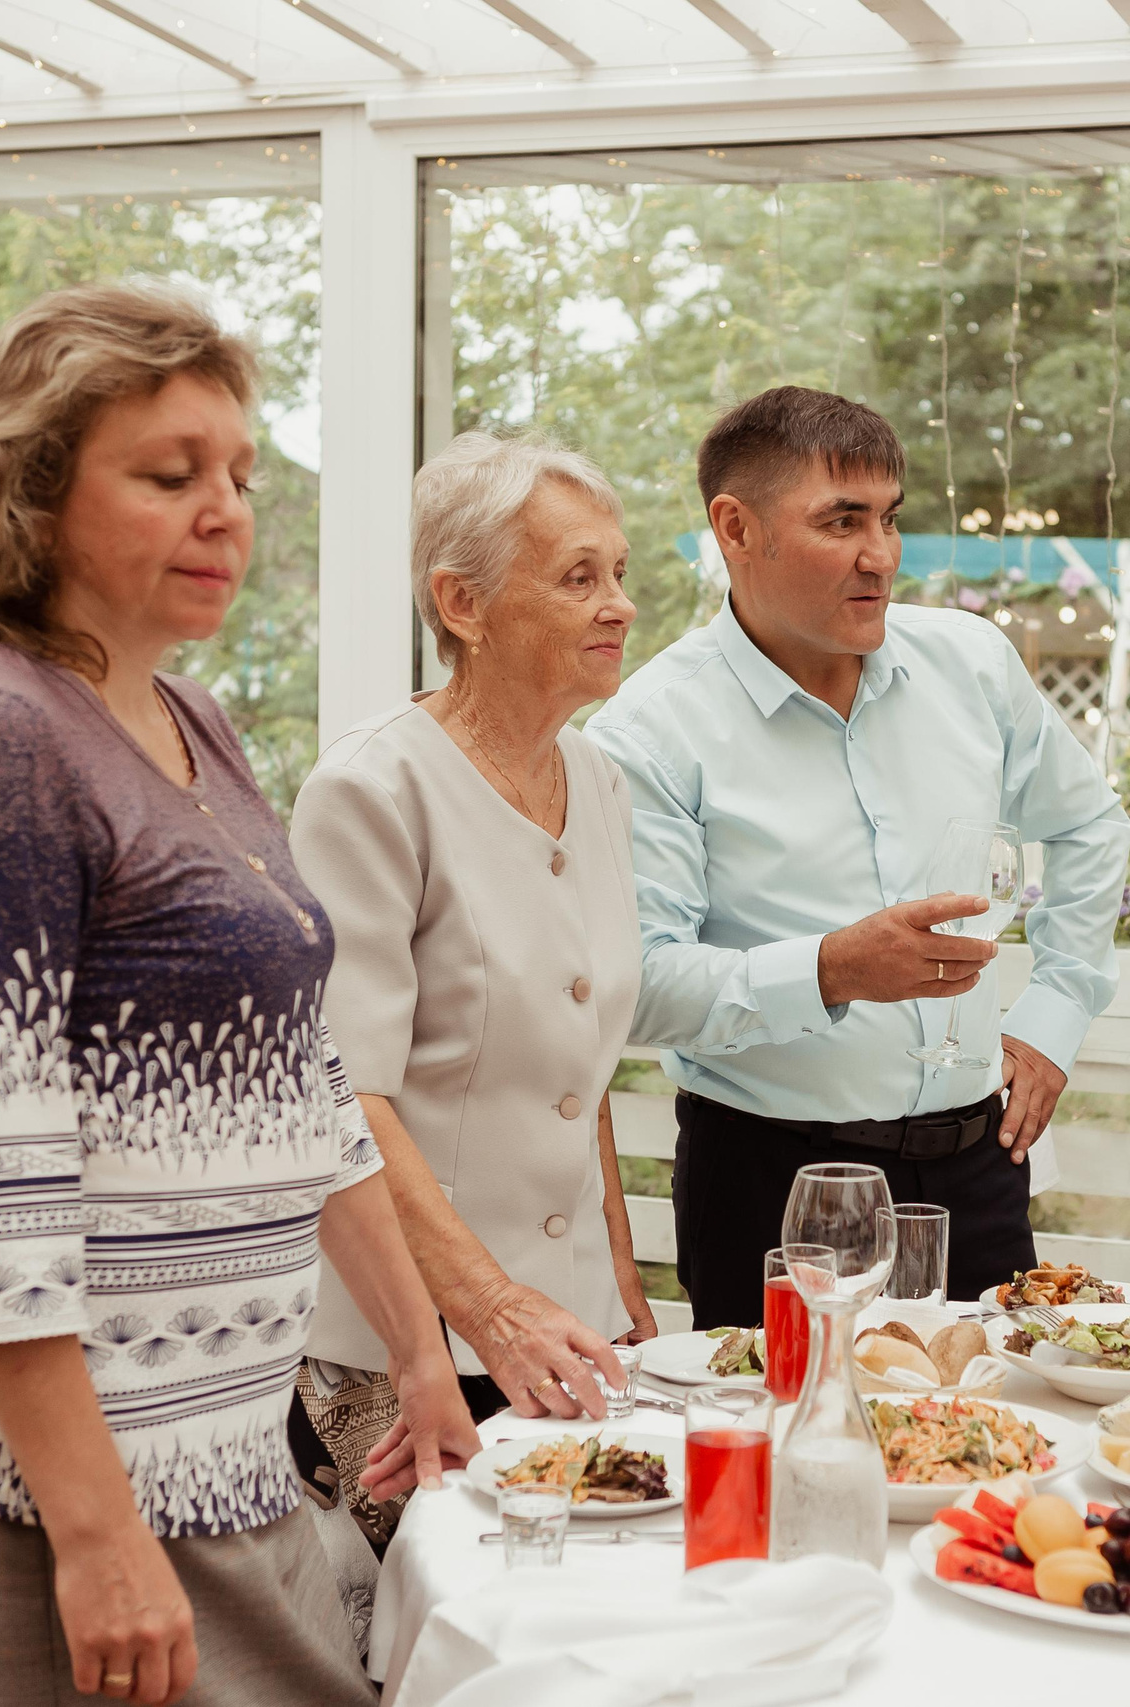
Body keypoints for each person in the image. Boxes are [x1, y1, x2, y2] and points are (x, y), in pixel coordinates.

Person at [0, 279, 477, 1707]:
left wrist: (415, 1353)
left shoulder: (187, 717)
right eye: (169, 474)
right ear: (33, 497)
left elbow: (305, 1080)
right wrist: (95, 1534)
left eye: (241, 476)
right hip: (45, 1493)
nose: (227, 510)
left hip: (220, 1452)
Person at [589, 386, 1130, 1329]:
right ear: (735, 528)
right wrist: (833, 969)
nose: (879, 555)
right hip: (770, 1185)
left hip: (979, 1171)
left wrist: (1056, 1010)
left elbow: (1090, 825)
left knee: (997, 1450)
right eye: (841, 521)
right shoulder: (648, 730)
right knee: (792, 1461)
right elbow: (642, 983)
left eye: (888, 518)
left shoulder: (971, 664)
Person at [291, 432, 654, 1547]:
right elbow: (345, 1095)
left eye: (621, 575)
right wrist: (483, 1310)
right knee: (436, 1636)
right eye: (578, 577)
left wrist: (620, 1274)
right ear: (462, 603)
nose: (620, 607)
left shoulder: (595, 779)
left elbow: (578, 1057)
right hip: (404, 1361)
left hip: (572, 1336)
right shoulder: (370, 790)